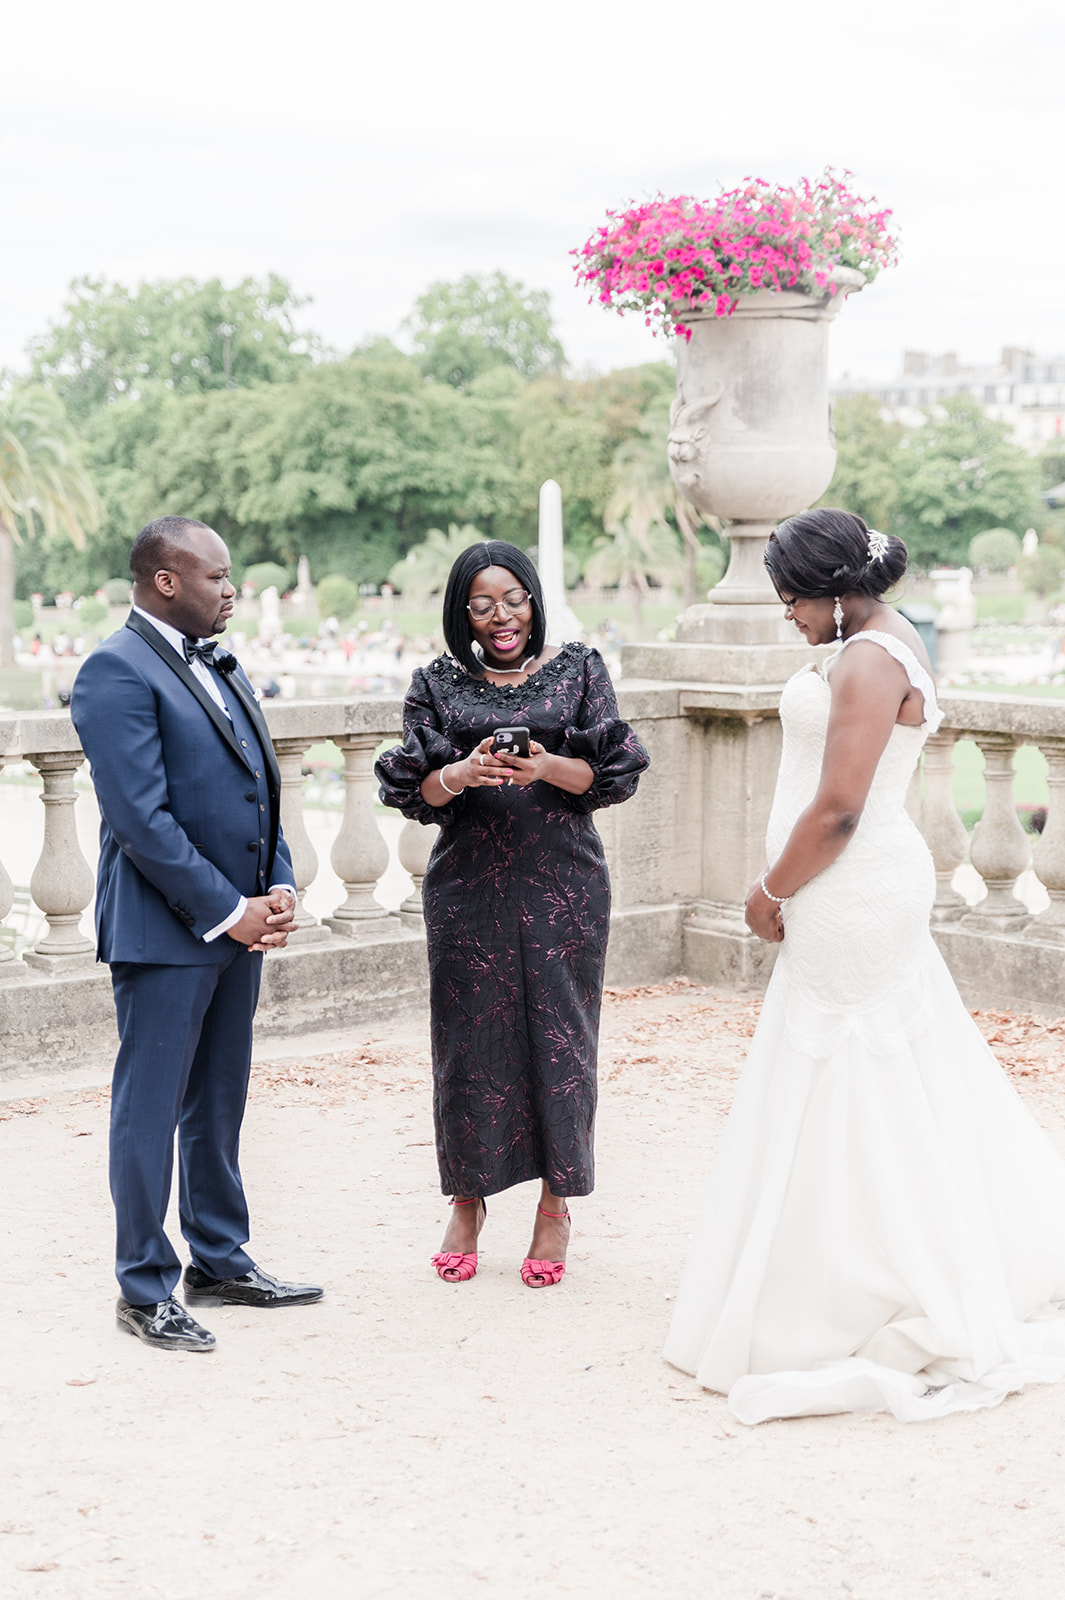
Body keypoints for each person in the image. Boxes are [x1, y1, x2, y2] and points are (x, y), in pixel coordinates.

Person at [665, 508, 1065, 1423]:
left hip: (846, 891)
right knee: (879, 1073)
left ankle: (858, 1285)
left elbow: (840, 806)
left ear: (833, 594)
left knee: (850, 1077)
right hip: (859, 891)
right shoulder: (885, 639)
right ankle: (845, 1261)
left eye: (791, 602)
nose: (787, 619)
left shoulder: (866, 660)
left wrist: (770, 888)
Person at [70, 516, 323, 1353]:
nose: (231, 589)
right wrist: (228, 910)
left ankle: (219, 1259)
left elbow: (258, 786)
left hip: (238, 925)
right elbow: (140, 819)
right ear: (164, 581)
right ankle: (145, 1286)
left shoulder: (220, 660)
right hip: (166, 931)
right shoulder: (114, 669)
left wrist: (277, 882)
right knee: (149, 1111)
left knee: (218, 1101)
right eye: (215, 576)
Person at [376, 540, 649, 1287]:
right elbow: (415, 792)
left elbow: (609, 775)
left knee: (562, 1044)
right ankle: (467, 1201)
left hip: (563, 886)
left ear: (534, 599)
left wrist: (543, 765)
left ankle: (555, 1205)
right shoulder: (434, 684)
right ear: (461, 612)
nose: (502, 617)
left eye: (514, 599)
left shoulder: (580, 669)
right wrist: (459, 773)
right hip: (467, 889)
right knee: (467, 1048)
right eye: (482, 604)